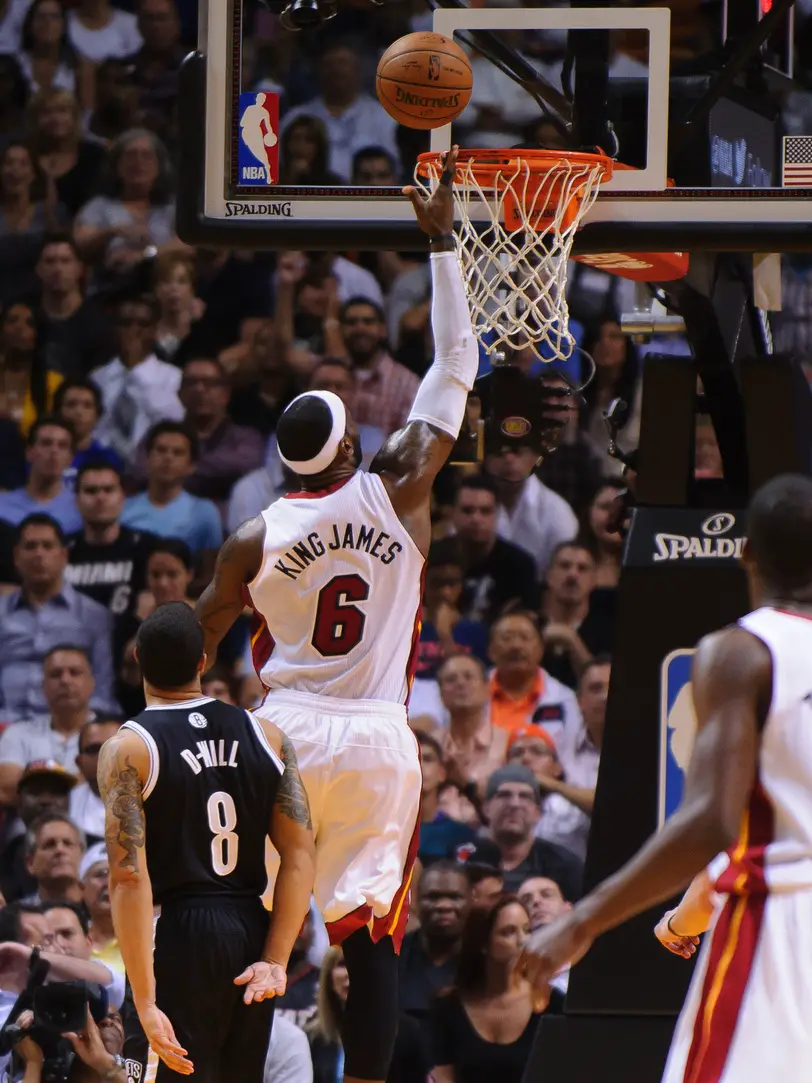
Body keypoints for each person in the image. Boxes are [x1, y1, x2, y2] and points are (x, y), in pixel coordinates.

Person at [195, 147, 480, 1083]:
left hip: (279, 734)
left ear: (288, 462)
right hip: (374, 740)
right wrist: (441, 242)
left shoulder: (253, 533)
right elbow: (456, 360)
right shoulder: (398, 487)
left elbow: (191, 639)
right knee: (371, 942)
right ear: (350, 444)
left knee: (247, 924)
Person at [518, 472, 812, 1083]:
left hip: (778, 934)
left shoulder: (745, 651)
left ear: (747, 550)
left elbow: (711, 824)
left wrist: (581, 921)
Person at [99, 601, 316, 1081]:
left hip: (182, 935)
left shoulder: (129, 747)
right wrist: (275, 960)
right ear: (203, 662)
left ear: (137, 658)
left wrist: (145, 999)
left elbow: (129, 878)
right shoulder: (267, 735)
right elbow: (300, 853)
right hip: (250, 931)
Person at [431, 896, 561, 1083]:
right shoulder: (446, 1008)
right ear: (483, 943)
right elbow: (443, 1077)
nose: (523, 941)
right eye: (508, 932)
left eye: (527, 930)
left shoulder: (552, 1002)